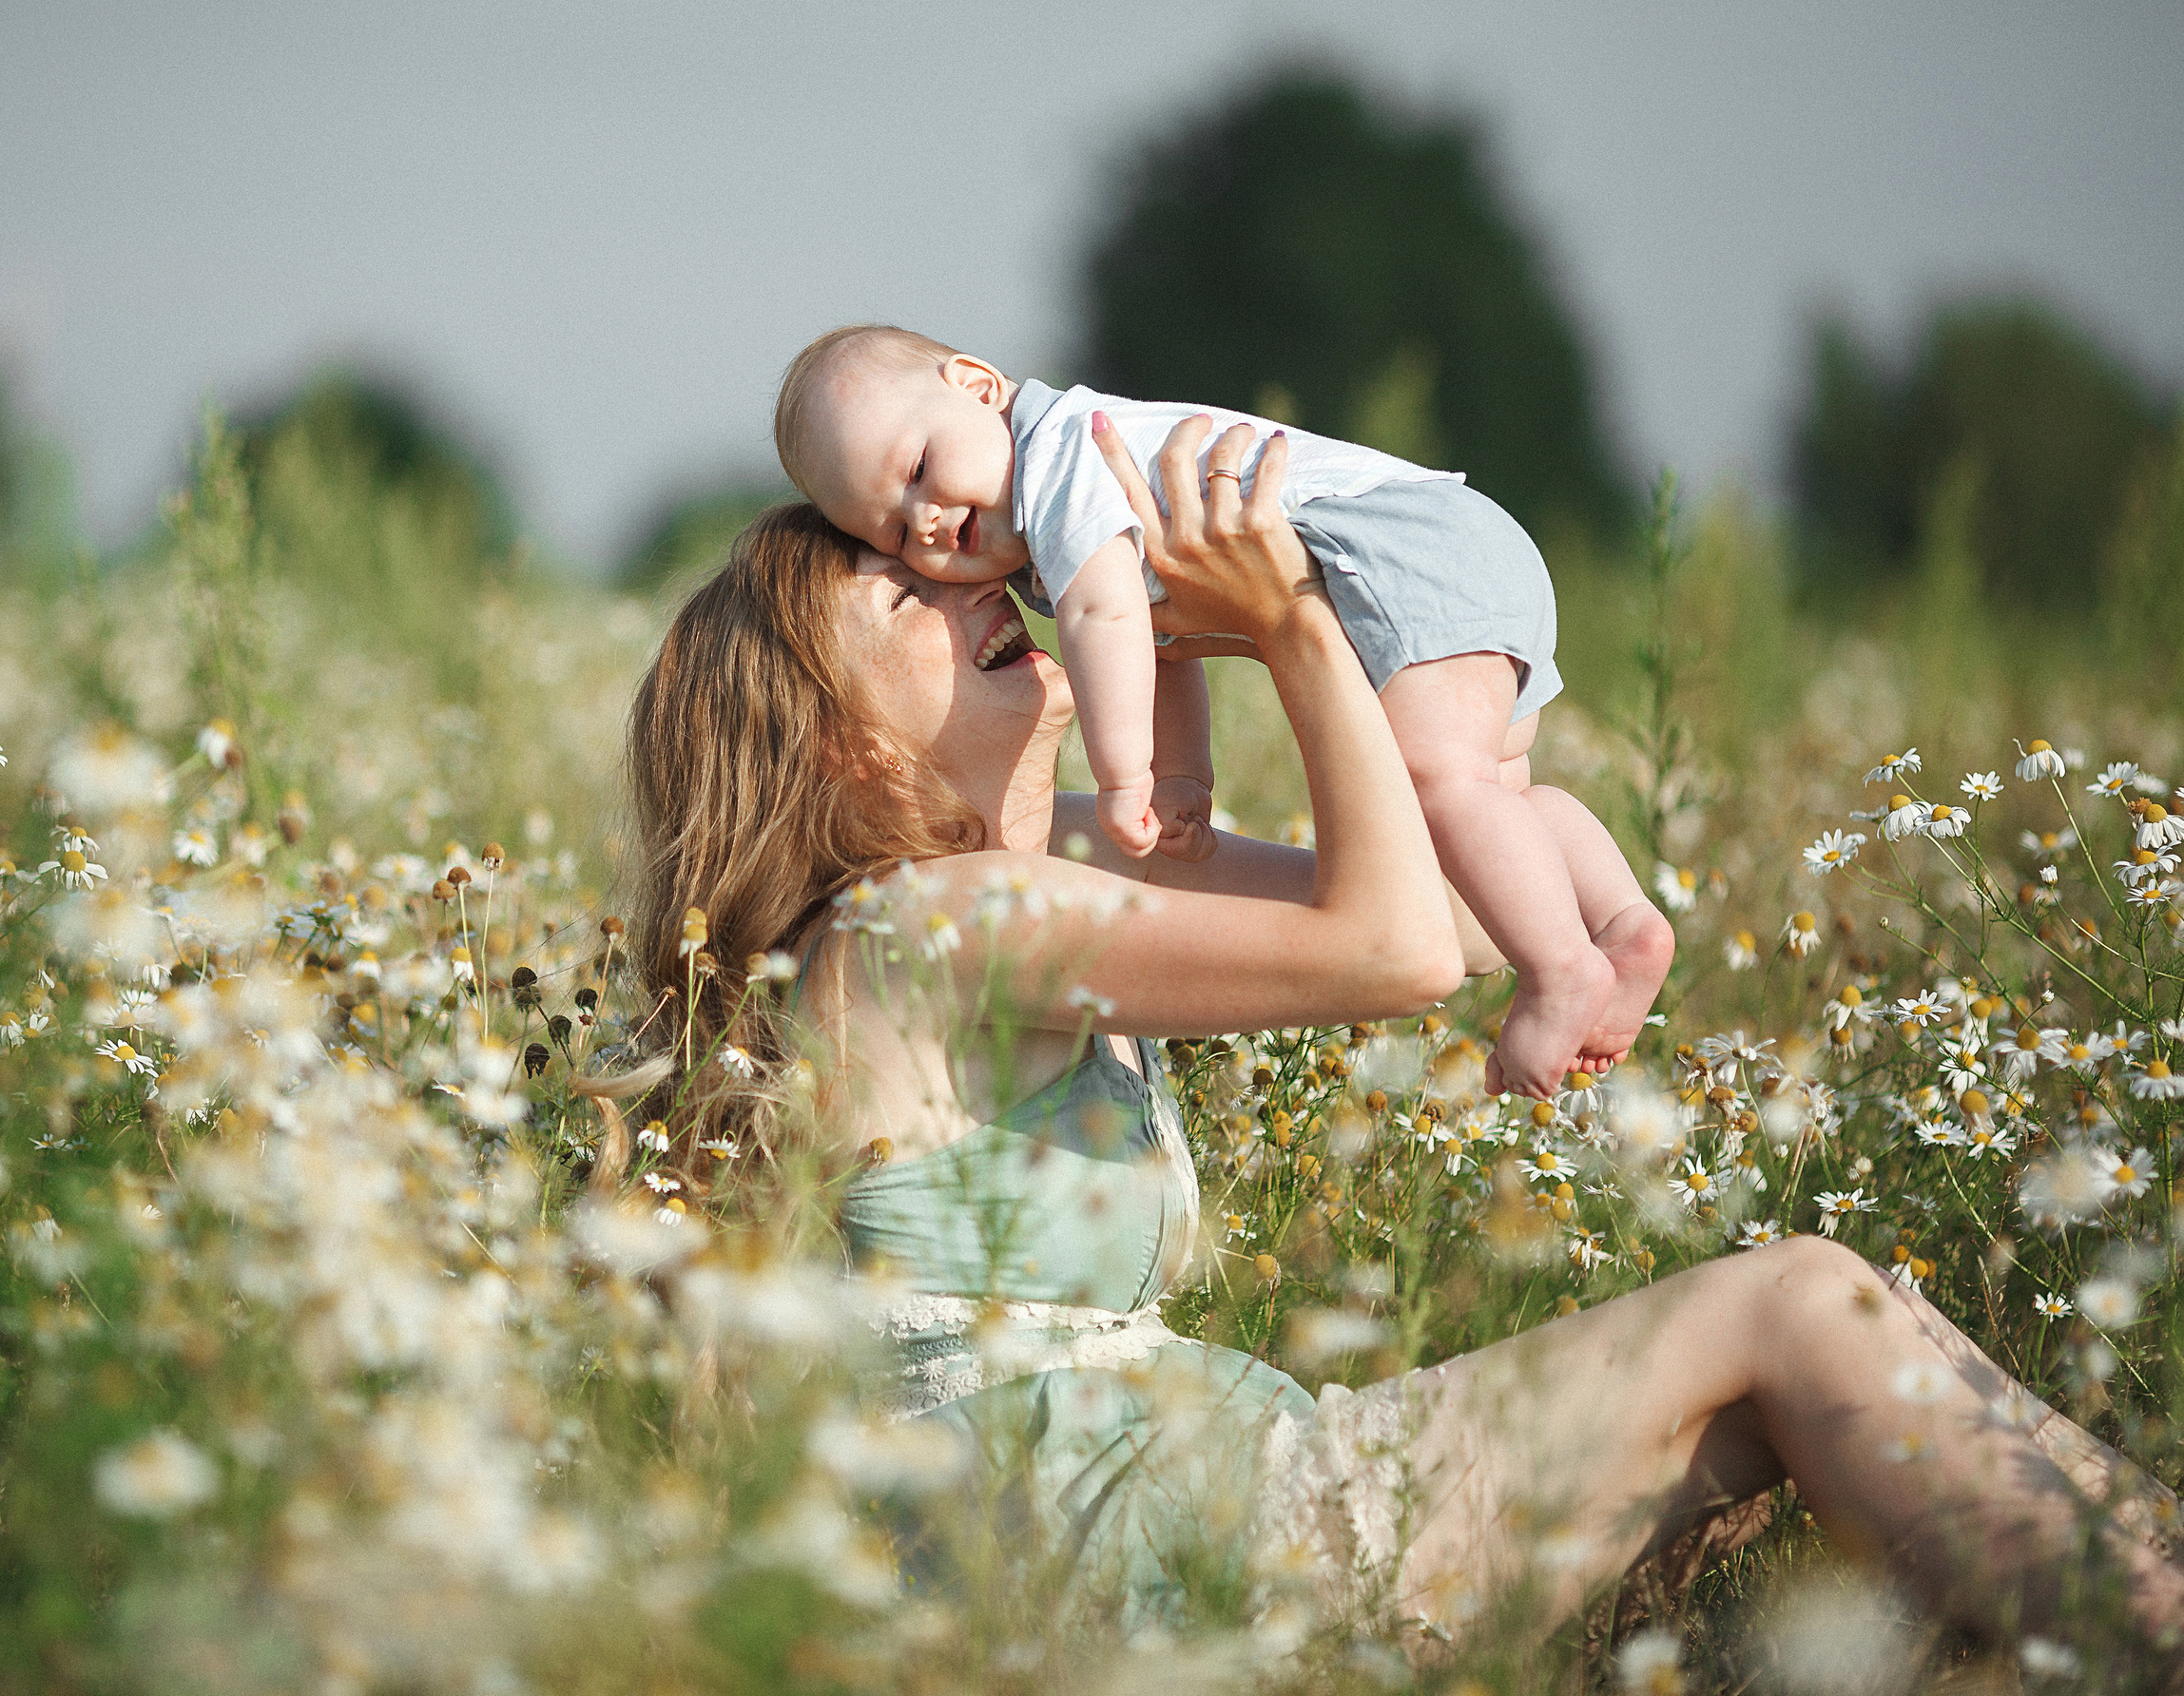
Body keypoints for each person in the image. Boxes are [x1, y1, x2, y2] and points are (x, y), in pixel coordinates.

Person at [623, 414, 2182, 1666]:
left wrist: (1215, 623)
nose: (977, 577)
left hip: (1170, 1493)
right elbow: (1397, 954)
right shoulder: (928, 917)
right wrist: (1296, 628)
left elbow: (1430, 896)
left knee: (1775, 1377)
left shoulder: (1047, 867)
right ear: (839, 737)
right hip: (1121, 1540)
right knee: (1795, 1303)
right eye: (910, 595)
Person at [771, 322, 1672, 1098]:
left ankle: (1563, 968)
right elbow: (1164, 646)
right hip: (1450, 544)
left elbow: (1112, 619)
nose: (926, 519)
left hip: (1403, 548)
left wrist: (1129, 777)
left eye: (920, 470)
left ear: (977, 386)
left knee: (1442, 778)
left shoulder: (1057, 466)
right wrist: (1182, 778)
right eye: (893, 534)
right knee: (1484, 803)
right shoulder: (1053, 519)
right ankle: (1620, 922)